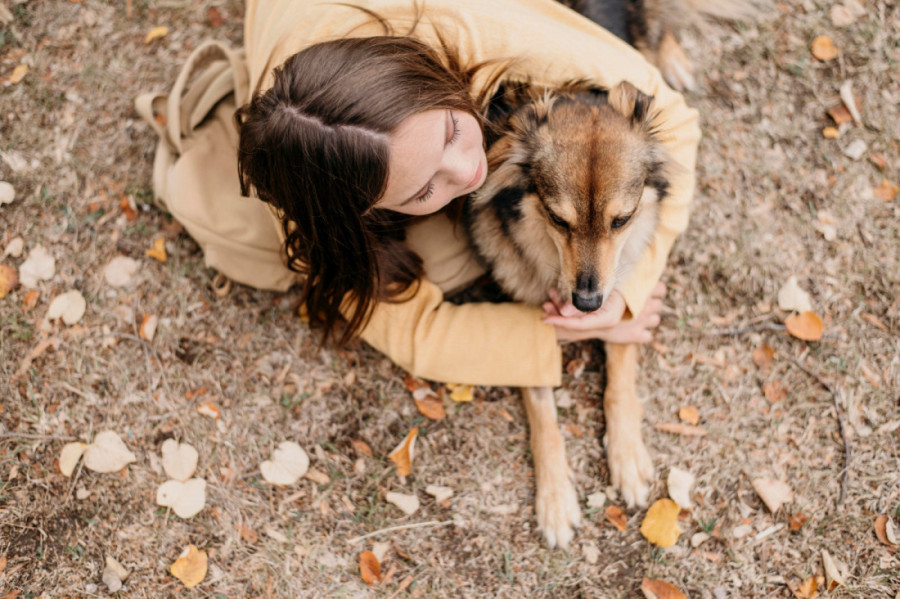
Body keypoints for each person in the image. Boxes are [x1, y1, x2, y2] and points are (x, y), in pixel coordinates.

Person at [231, 0, 699, 388]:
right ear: (363, 210)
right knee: (435, 264)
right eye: (424, 188)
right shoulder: (315, 204)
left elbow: (672, 117)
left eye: (452, 131)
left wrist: (628, 293)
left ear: (431, 77)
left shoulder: (474, 30)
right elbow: (419, 335)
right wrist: (568, 330)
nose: (472, 171)